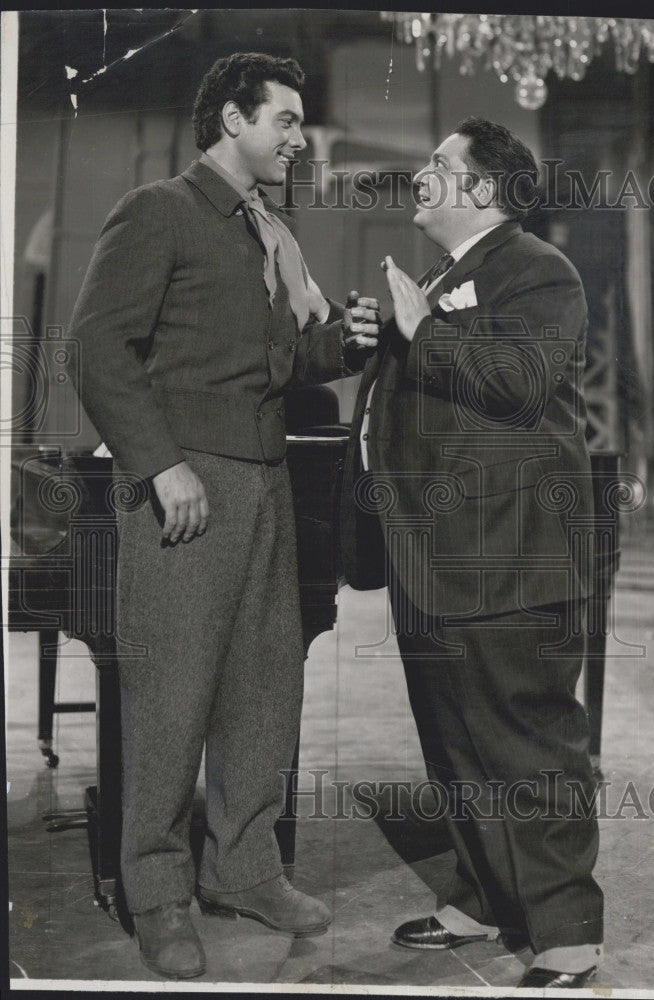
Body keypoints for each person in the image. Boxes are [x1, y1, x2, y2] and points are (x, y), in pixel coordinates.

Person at [68, 52, 379, 980]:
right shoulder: (159, 211)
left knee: (260, 687)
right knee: (170, 701)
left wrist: (338, 343)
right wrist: (161, 466)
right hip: (186, 484)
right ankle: (158, 896)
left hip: (266, 483)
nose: (297, 138)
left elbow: (271, 369)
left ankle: (243, 868)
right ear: (231, 122)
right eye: (282, 120)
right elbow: (92, 351)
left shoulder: (265, 234)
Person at [341, 117, 603, 988]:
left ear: (483, 189)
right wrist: (389, 333)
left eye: (438, 165)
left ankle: (567, 933)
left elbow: (520, 386)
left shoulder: (538, 270)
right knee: (453, 742)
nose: (420, 175)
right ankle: (484, 898)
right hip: (435, 556)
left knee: (528, 745)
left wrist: (424, 331)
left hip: (508, 559)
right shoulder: (447, 275)